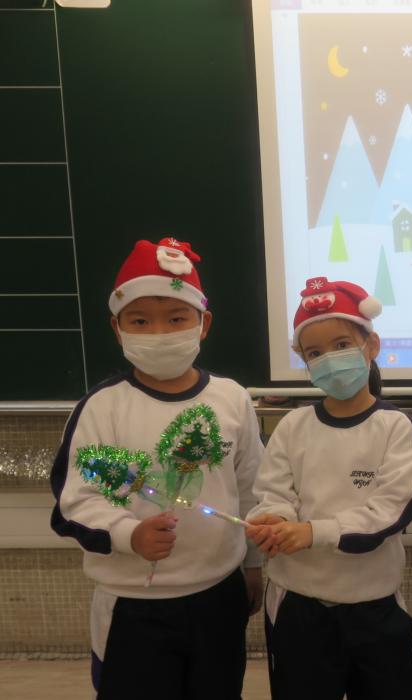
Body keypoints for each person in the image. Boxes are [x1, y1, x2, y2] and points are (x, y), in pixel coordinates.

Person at [50, 238, 264, 699]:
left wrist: (253, 564)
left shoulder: (232, 399)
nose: (159, 332)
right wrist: (129, 535)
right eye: (141, 321)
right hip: (133, 607)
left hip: (218, 596)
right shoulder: (102, 408)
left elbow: (251, 487)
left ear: (203, 324)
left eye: (177, 318)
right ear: (117, 328)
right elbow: (77, 501)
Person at [247, 277, 412, 700]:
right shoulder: (293, 425)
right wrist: (272, 520)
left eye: (342, 344)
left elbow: (390, 511)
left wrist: (313, 532)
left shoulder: (394, 426)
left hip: (374, 606)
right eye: (315, 353)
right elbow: (273, 493)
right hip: (298, 605)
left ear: (371, 345)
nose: (329, 359)